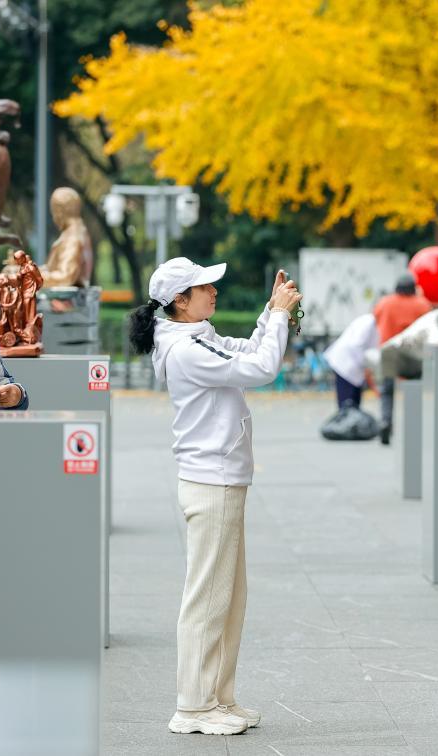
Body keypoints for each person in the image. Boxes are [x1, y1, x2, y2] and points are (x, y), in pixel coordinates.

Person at [128, 256, 301, 737]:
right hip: (213, 479)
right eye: (205, 286)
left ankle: (217, 698)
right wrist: (283, 315)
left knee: (228, 596)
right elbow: (261, 367)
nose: (214, 291)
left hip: (220, 477)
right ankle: (193, 706)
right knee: (207, 597)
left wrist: (270, 312)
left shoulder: (195, 335)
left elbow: (244, 349)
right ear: (181, 301)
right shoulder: (187, 348)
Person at [373, 273, 431, 444]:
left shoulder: (385, 302)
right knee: (415, 389)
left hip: (389, 351)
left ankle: (385, 421)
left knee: (387, 391)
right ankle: (413, 425)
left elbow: (376, 318)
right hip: (412, 354)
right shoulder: (422, 304)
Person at [323, 312, 378, 410]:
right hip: (345, 366)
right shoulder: (368, 323)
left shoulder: (372, 323)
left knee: (354, 403)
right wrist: (366, 367)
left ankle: (352, 421)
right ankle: (347, 422)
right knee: (347, 404)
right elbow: (356, 345)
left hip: (352, 368)